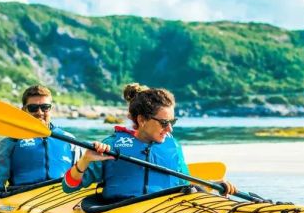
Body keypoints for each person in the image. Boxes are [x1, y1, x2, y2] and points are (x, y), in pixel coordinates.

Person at [62, 83, 236, 201]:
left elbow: (186, 185)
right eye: (164, 123)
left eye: (172, 122)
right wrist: (85, 160)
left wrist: (214, 185)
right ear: (142, 119)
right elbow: (68, 187)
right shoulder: (112, 146)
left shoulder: (172, 146)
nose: (170, 130)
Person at [0, 85, 76, 213]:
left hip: (63, 201)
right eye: (33, 108)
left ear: (51, 109)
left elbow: (83, 176)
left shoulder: (69, 140)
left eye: (45, 107)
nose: (40, 112)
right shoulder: (10, 142)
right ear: (23, 110)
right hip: (24, 200)